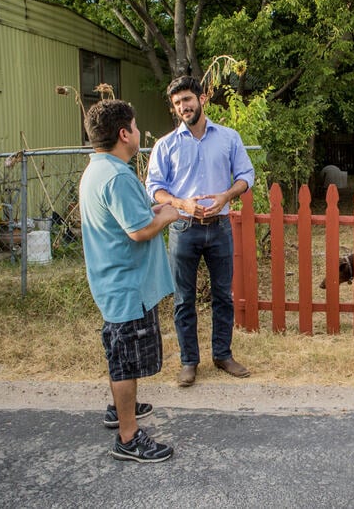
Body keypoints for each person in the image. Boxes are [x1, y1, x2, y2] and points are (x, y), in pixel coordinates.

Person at [79, 99, 180, 462]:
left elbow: (127, 217)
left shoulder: (99, 168)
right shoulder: (118, 175)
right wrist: (167, 215)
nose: (138, 133)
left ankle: (121, 409)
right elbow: (138, 231)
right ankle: (128, 436)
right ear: (124, 133)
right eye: (135, 128)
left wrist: (156, 209)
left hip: (112, 280)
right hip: (125, 285)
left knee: (119, 351)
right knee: (124, 359)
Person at [146, 75, 255, 387]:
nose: (183, 107)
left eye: (188, 100)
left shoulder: (228, 138)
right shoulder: (165, 145)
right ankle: (189, 362)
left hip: (220, 227)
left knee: (223, 295)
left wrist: (225, 195)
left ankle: (222, 355)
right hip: (183, 228)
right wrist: (182, 203)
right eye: (178, 103)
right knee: (184, 299)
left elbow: (247, 174)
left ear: (202, 98)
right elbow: (154, 188)